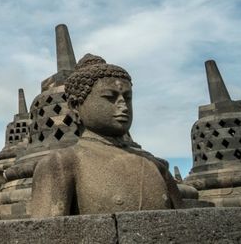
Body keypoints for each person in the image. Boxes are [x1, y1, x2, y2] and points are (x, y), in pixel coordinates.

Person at [29, 54, 183, 217]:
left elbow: (184, 227)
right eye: (110, 97)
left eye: (128, 98)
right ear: (75, 106)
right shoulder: (61, 164)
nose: (123, 106)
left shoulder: (155, 166)